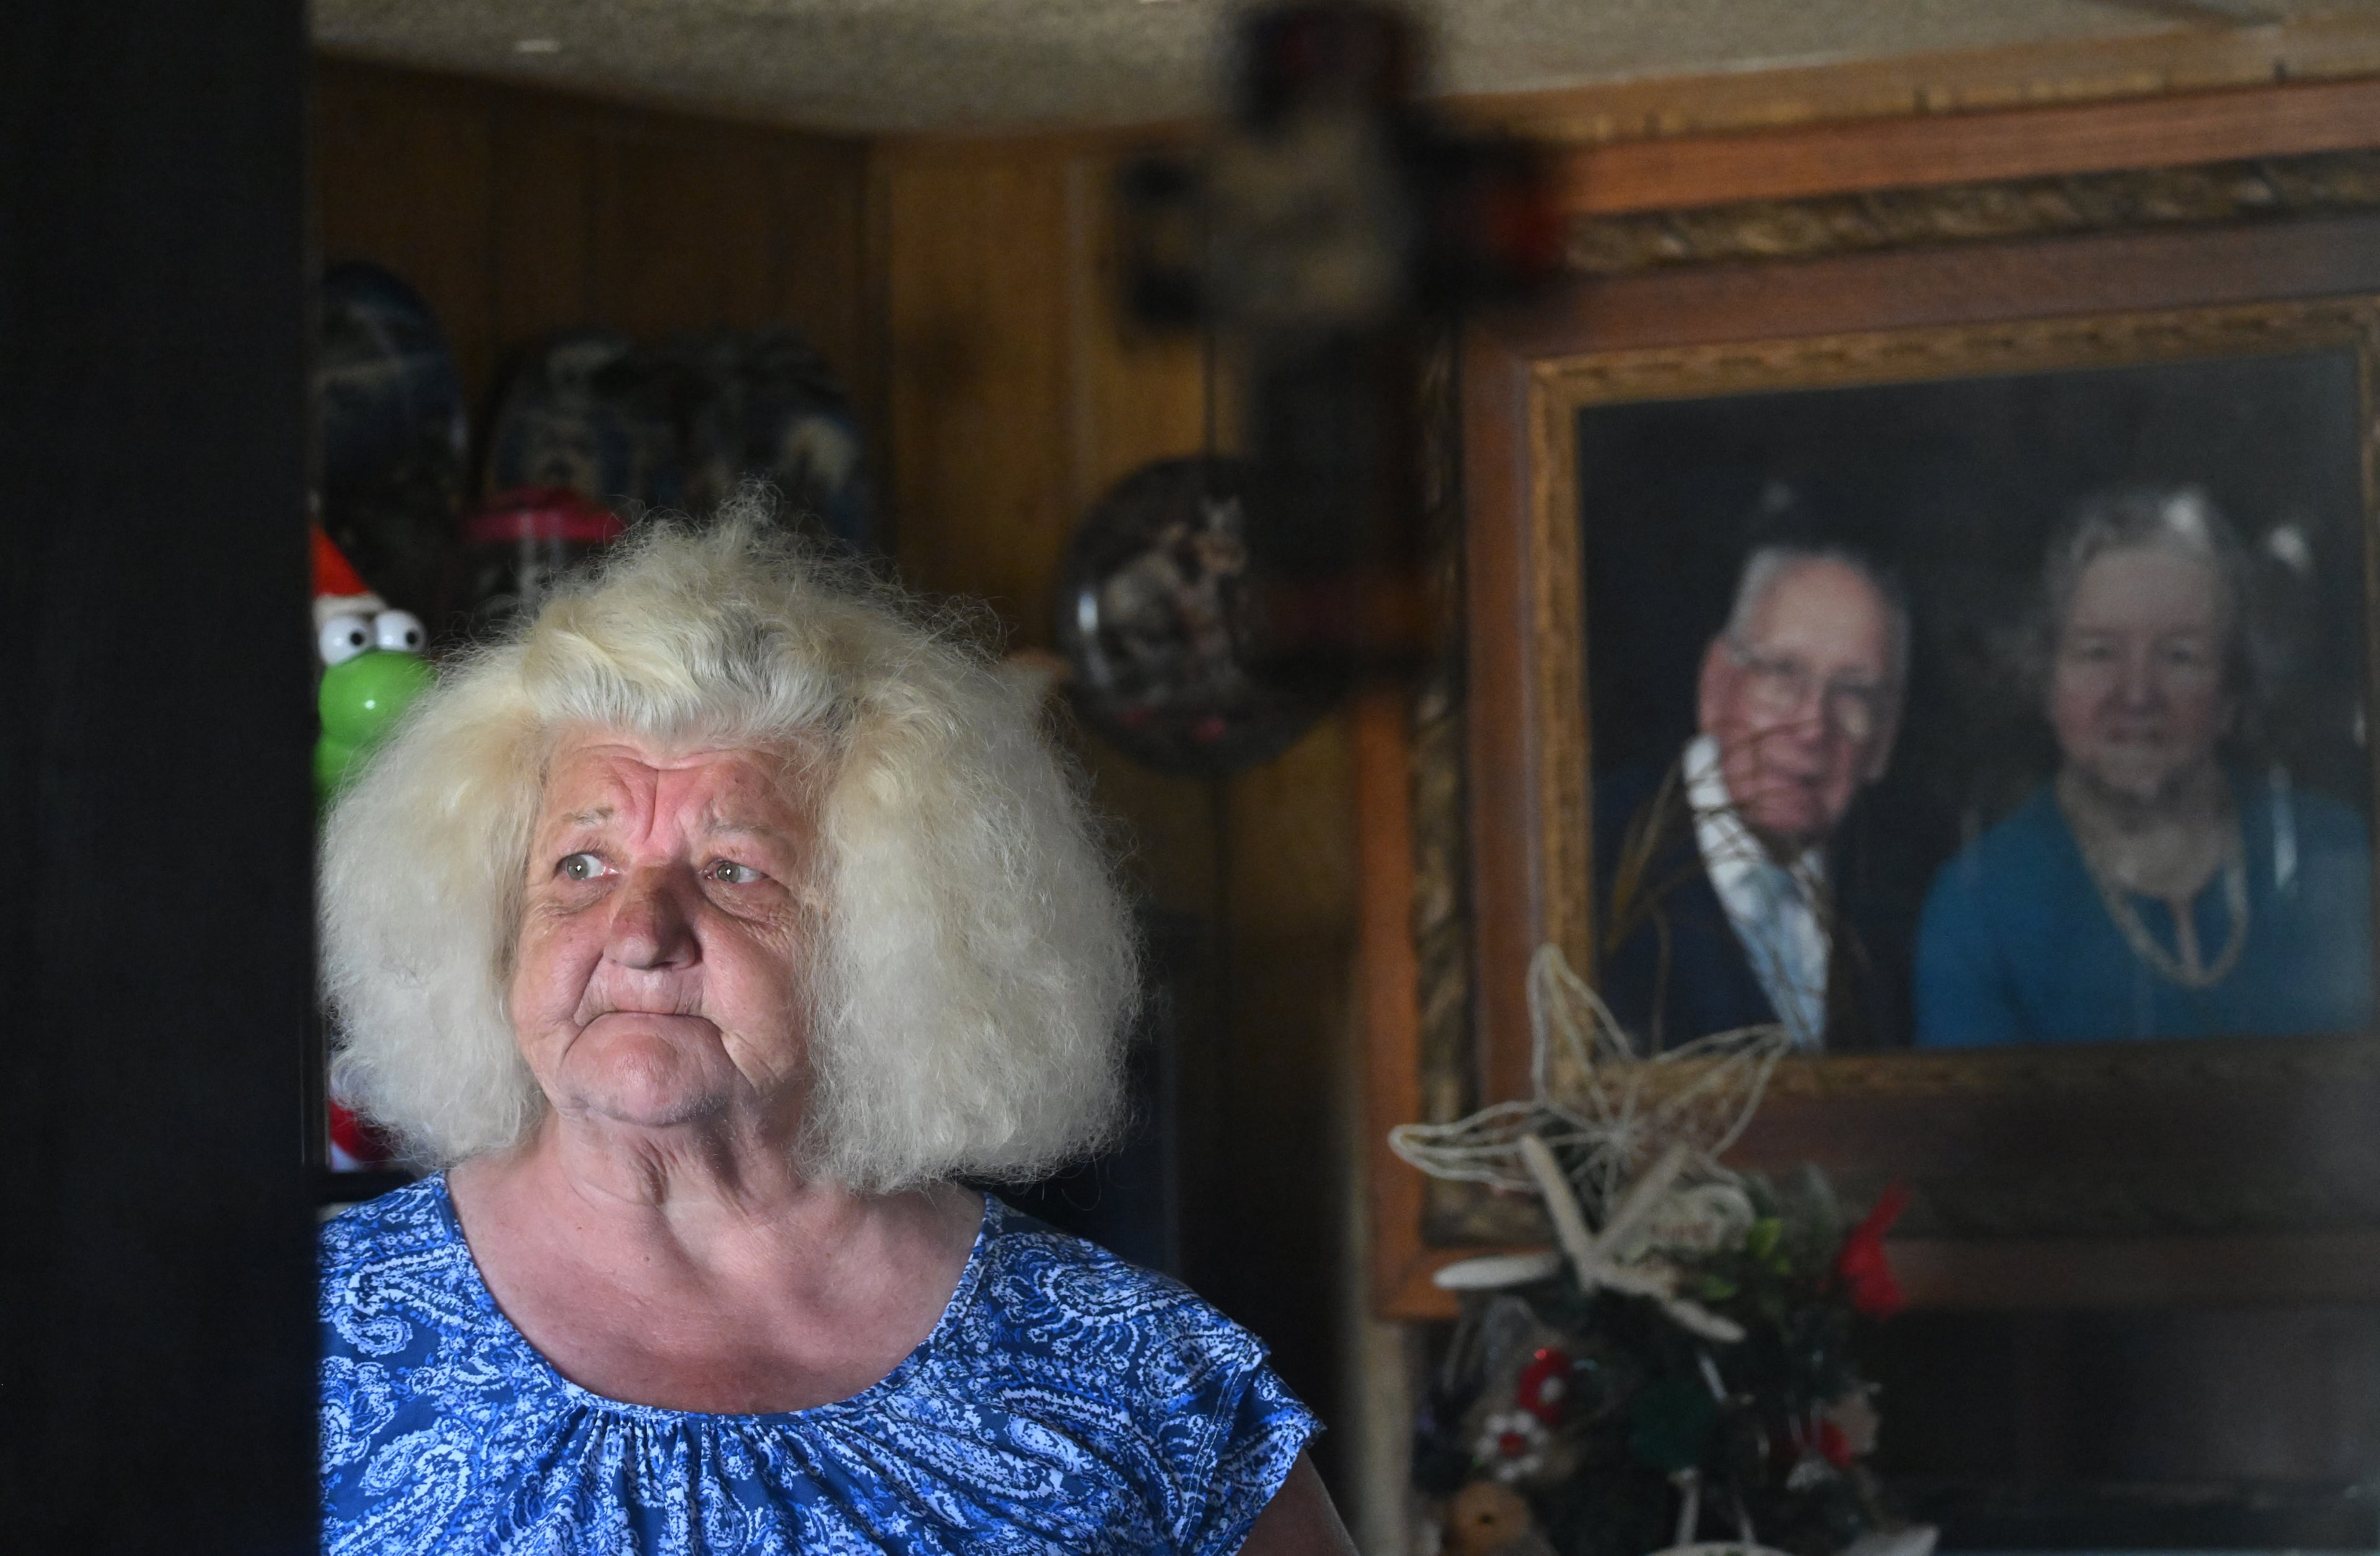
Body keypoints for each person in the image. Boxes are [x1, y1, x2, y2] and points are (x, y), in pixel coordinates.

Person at [316, 508, 1354, 1554]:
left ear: (894, 939)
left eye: (734, 871)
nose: (638, 934)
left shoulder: (1141, 1382)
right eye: (579, 866)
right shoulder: (301, 1340)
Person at [1915, 488, 2373, 1045]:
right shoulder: (1978, 906)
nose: (2137, 694)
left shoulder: (2333, 855)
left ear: (2232, 690)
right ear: (2048, 681)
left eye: (2180, 655)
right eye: (2098, 652)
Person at [1595, 545, 1909, 1053]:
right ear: (1716, 686)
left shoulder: (1903, 908)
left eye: (1853, 693)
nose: (1812, 725)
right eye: (1783, 674)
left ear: (1886, 736)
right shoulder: (1594, 857)